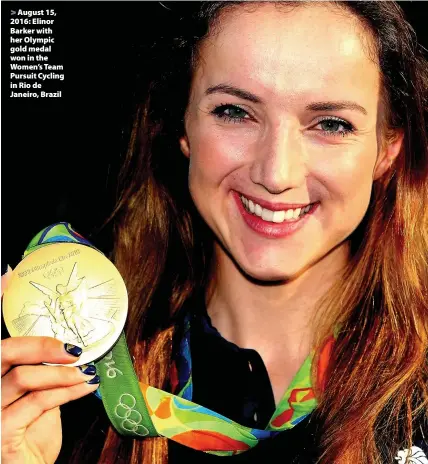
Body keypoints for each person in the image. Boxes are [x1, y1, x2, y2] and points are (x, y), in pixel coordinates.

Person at [2, 1, 427, 463]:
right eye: (235, 112)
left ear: (388, 149)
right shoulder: (68, 393)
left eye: (331, 123)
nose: (276, 172)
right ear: (182, 125)